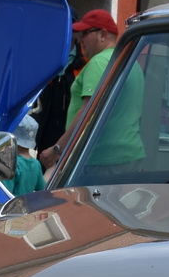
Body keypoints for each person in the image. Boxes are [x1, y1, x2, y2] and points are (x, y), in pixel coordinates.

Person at [39, 9, 143, 169]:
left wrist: (57, 149)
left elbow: (88, 112)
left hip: (101, 161)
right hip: (130, 156)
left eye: (85, 33)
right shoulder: (130, 62)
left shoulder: (98, 63)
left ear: (103, 34)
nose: (79, 39)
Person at [0, 115, 46, 196]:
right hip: (26, 207)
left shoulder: (11, 164)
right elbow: (42, 188)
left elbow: (3, 193)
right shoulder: (36, 164)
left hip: (10, 207)